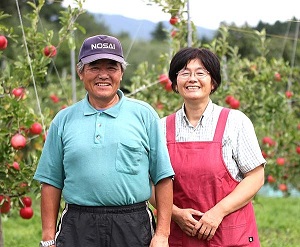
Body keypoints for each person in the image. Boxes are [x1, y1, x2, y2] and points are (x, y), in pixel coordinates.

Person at [34, 34, 175, 247]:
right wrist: (47, 238)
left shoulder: (144, 115)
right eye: (94, 67)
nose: (103, 75)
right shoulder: (63, 120)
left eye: (111, 67)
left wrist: (162, 234)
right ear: (80, 72)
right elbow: (51, 182)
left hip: (132, 223)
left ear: (121, 73)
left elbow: (163, 177)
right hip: (78, 224)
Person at [160, 47, 266, 246]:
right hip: (182, 237)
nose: (192, 79)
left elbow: (256, 176)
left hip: (231, 235)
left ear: (213, 82)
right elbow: (150, 183)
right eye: (184, 73)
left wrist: (218, 212)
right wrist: (175, 213)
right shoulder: (161, 127)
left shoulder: (235, 122)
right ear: (175, 82)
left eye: (200, 73)